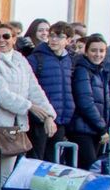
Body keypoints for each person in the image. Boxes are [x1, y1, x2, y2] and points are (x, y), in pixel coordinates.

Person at [0, 22, 56, 190]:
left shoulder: (20, 59)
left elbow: (34, 89)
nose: (1, 41)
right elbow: (1, 94)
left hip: (16, 128)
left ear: (14, 38)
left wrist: (48, 115)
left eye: (6, 36)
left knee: (8, 177)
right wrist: (29, 106)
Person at [27, 21, 75, 161]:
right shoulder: (37, 58)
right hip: (40, 117)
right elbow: (30, 87)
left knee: (53, 161)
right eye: (52, 36)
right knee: (36, 159)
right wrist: (45, 114)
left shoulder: (68, 60)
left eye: (59, 37)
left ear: (68, 40)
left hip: (60, 118)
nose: (53, 40)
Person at [71, 35, 110, 168]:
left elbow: (107, 101)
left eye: (101, 51)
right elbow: (85, 103)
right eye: (93, 50)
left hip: (96, 129)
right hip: (82, 130)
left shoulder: (101, 71)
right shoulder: (82, 71)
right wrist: (102, 128)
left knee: (94, 169)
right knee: (88, 168)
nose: (97, 54)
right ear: (86, 52)